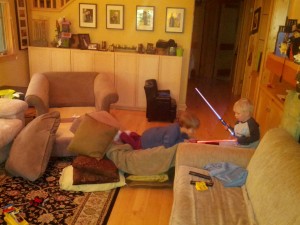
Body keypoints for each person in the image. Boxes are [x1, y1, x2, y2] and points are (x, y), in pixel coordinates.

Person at [119, 111, 200, 150]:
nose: (194, 132)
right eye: (192, 130)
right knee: (136, 146)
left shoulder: (179, 128)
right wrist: (183, 141)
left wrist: (188, 139)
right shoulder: (173, 131)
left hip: (149, 134)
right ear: (184, 126)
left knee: (139, 139)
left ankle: (131, 134)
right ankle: (123, 135)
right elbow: (168, 145)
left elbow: (182, 136)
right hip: (147, 142)